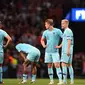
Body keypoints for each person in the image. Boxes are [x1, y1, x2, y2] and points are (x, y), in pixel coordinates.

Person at [41, 19, 63, 85]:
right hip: (47, 52)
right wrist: (43, 45)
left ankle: (60, 81)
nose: (45, 25)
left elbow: (64, 38)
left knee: (57, 65)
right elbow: (42, 40)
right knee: (49, 66)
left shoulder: (58, 31)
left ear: (49, 24)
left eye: (46, 24)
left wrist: (59, 46)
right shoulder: (45, 32)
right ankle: (51, 81)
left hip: (55, 52)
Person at [56, 19, 74, 84]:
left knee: (63, 64)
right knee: (69, 65)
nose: (61, 24)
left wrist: (68, 50)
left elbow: (69, 41)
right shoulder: (66, 31)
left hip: (66, 50)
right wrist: (59, 46)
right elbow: (64, 41)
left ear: (66, 24)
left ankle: (64, 81)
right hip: (68, 49)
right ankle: (71, 81)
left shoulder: (68, 31)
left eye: (63, 23)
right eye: (61, 23)